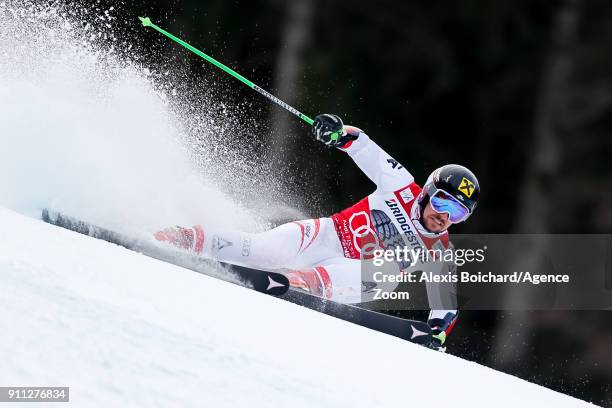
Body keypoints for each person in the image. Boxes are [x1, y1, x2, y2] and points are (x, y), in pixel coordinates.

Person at [154, 114, 480, 351]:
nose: (444, 217)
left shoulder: (441, 251)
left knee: (390, 272)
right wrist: (338, 133)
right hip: (329, 235)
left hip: (354, 280)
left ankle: (304, 282)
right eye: (442, 202)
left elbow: (446, 304)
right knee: (265, 250)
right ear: (426, 192)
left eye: (458, 213)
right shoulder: (400, 184)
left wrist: (437, 332)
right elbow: (362, 145)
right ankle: (192, 238)